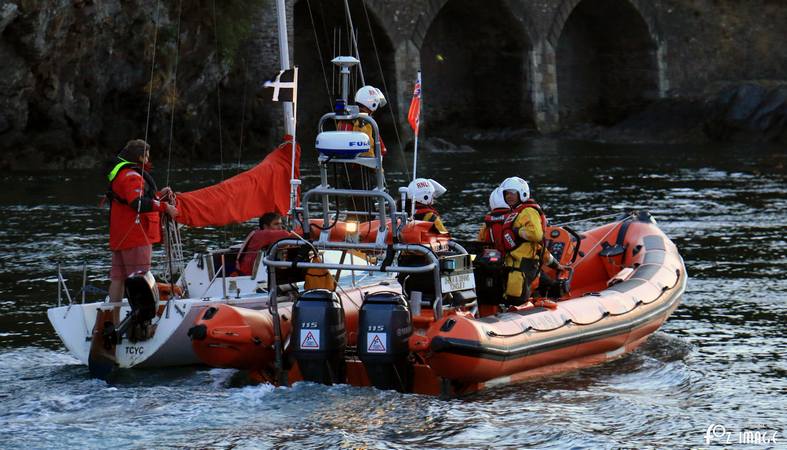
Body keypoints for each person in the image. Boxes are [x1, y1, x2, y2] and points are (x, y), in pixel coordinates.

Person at [107, 139, 178, 302]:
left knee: (118, 278)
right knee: (140, 277)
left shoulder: (122, 174)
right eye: (146, 156)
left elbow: (135, 198)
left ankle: (113, 317)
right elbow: (137, 203)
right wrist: (165, 207)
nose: (148, 160)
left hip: (121, 235)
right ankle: (142, 322)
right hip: (135, 236)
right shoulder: (132, 176)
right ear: (140, 157)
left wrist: (159, 195)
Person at [478, 178, 565, 305]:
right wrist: (556, 266)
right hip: (519, 268)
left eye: (512, 193)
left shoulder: (520, 214)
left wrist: (517, 231)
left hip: (514, 267)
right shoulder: (518, 215)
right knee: (541, 288)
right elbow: (537, 240)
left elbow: (535, 236)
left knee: (520, 292)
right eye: (506, 194)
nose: (509, 196)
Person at [236, 212, 290, 276]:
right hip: (250, 275)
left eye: (281, 224)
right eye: (276, 224)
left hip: (250, 272)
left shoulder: (257, 233)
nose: (280, 228)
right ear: (265, 226)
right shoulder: (264, 234)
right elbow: (287, 235)